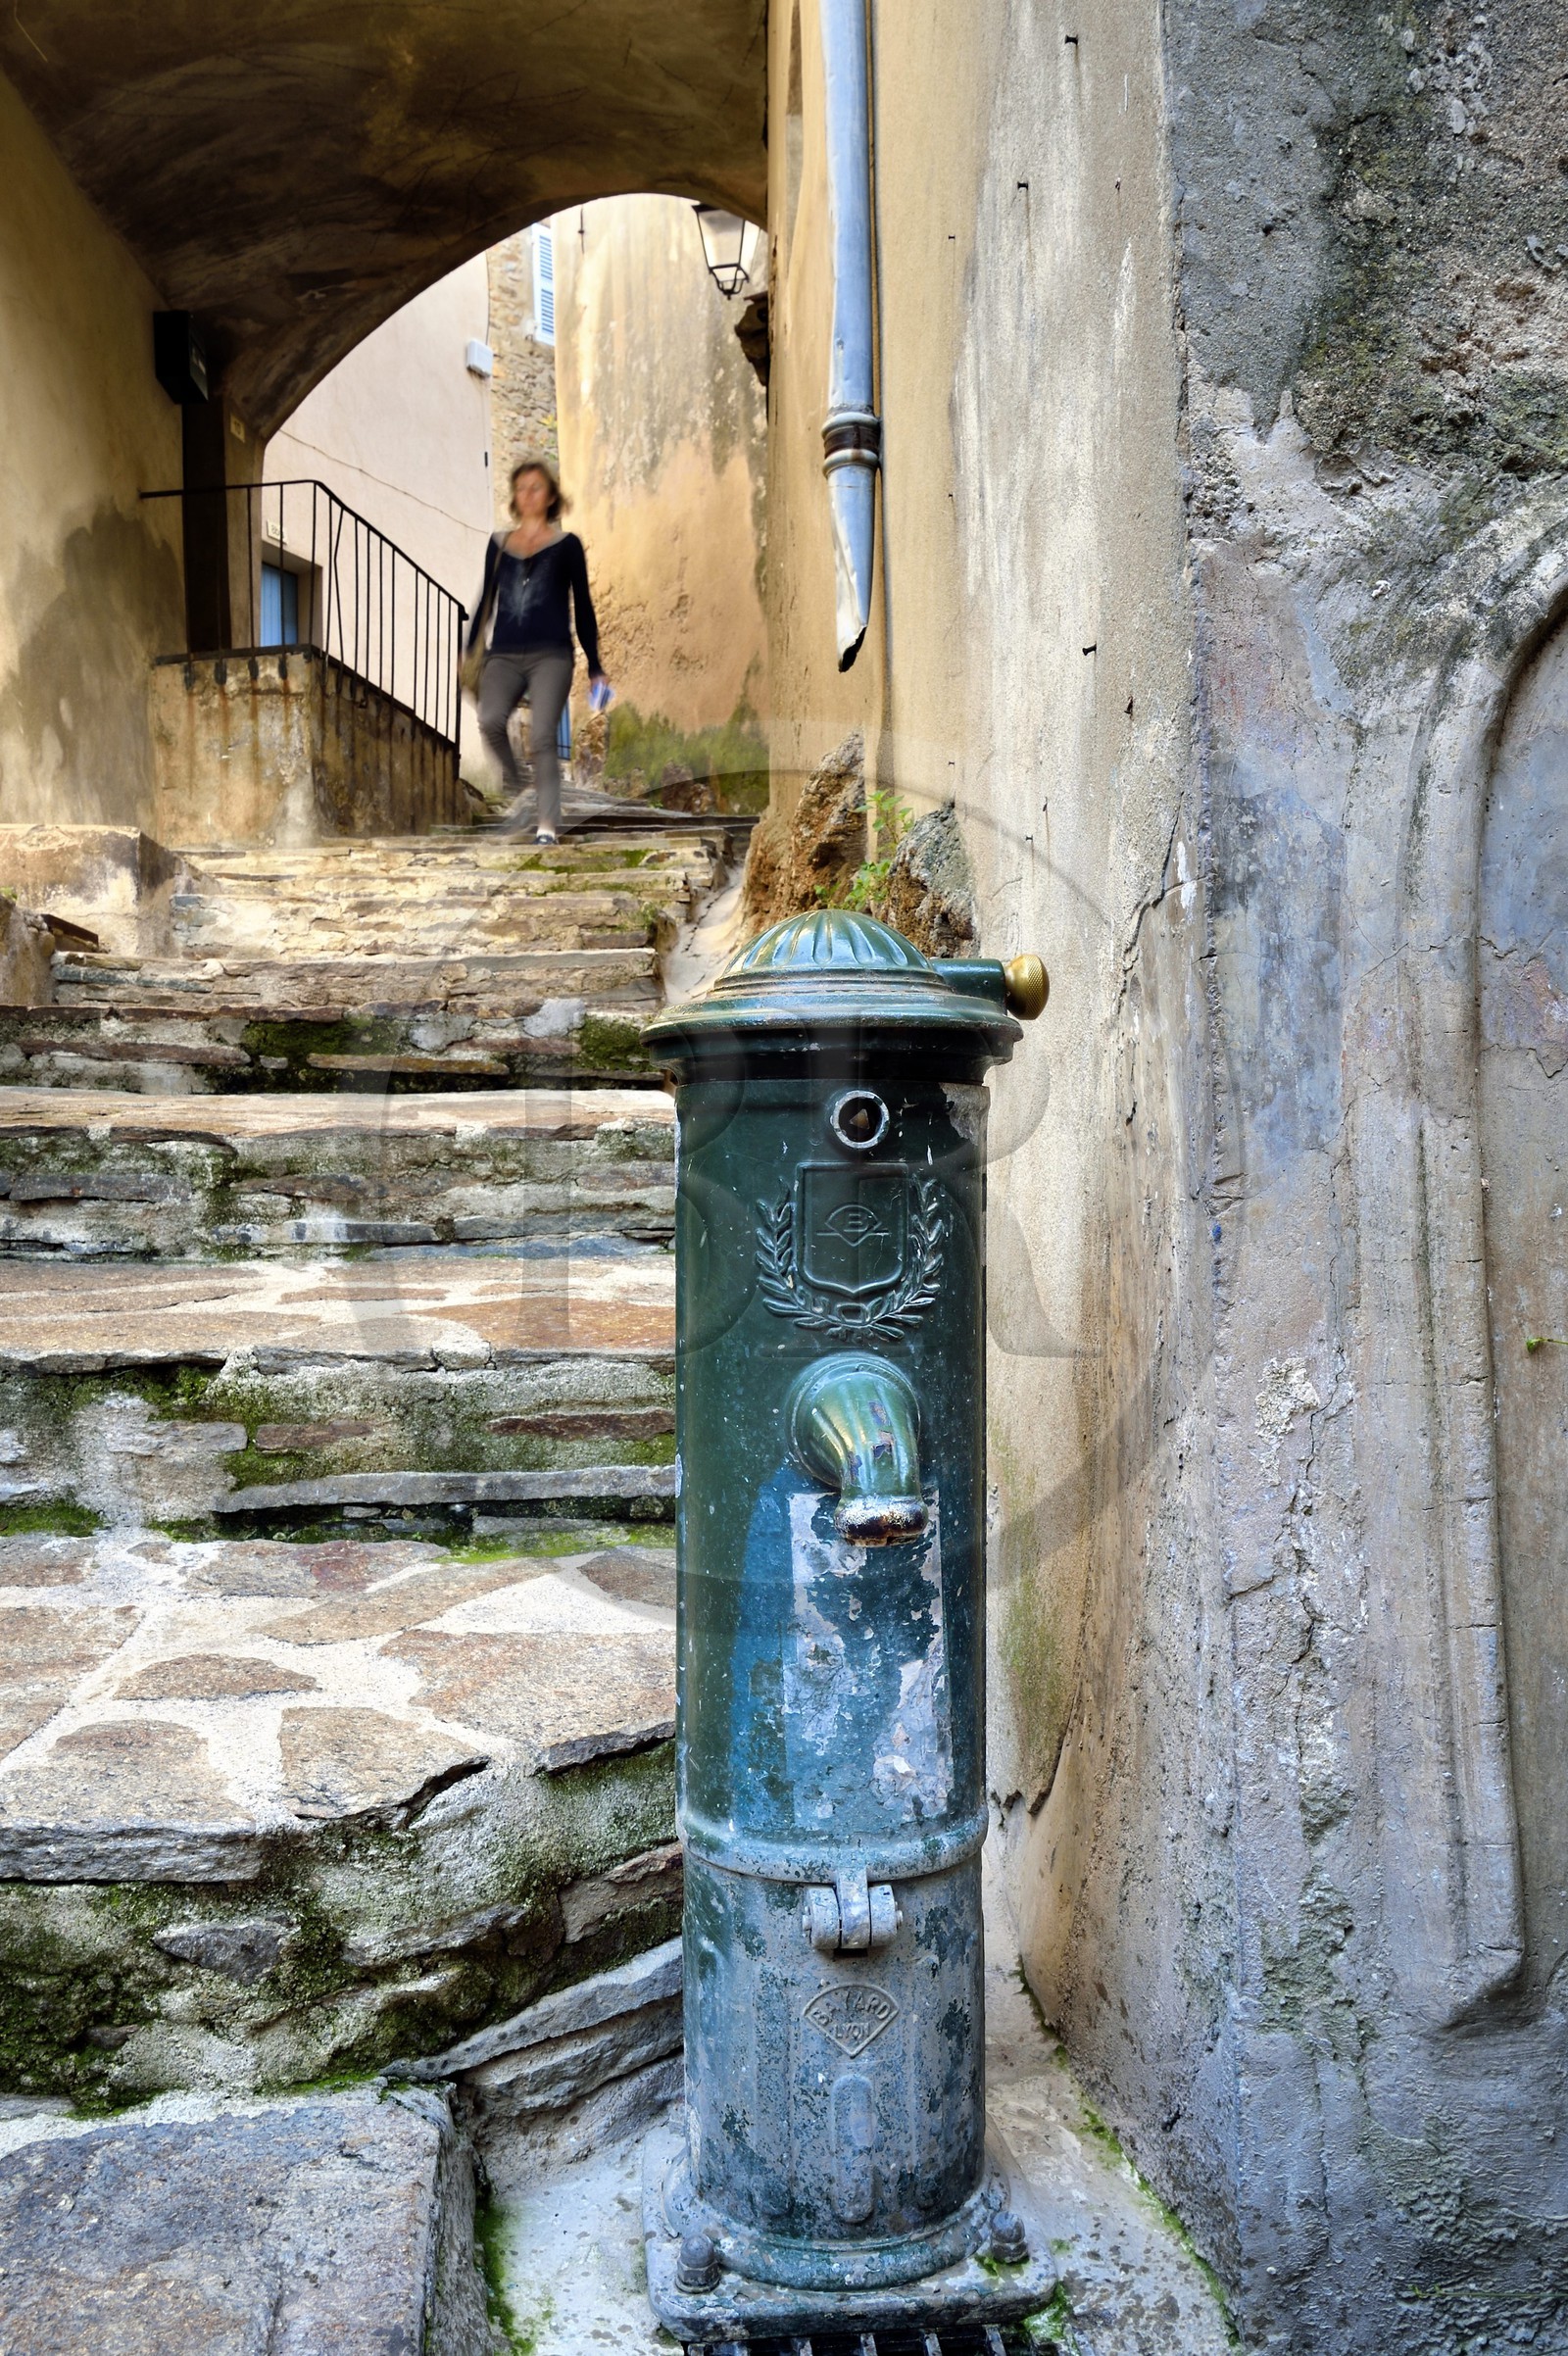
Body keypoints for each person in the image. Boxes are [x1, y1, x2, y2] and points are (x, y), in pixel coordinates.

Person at [467, 458, 607, 844]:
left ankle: (547, 825)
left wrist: (595, 664)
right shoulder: (497, 545)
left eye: (537, 488)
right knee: (490, 719)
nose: (527, 495)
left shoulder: (567, 546)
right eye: (521, 488)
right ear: (515, 496)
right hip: (504, 653)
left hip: (552, 654)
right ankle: (515, 777)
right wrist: (470, 647)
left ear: (550, 497)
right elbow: (486, 601)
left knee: (544, 734)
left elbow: (584, 606)